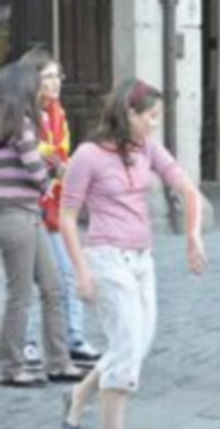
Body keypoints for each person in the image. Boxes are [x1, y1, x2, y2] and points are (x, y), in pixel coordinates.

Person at [60, 79, 207, 429]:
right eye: (151, 116)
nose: (155, 124)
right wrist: (81, 272)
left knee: (136, 344)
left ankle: (80, 394)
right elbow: (66, 217)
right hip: (107, 258)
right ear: (129, 114)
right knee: (126, 351)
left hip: (143, 260)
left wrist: (193, 234)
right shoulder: (88, 155)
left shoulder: (148, 149)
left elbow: (188, 190)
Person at [0, 63, 86, 387]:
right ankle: (10, 366)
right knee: (20, 294)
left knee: (52, 287)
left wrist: (52, 166)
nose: (42, 89)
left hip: (26, 214)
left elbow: (36, 160)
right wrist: (56, 175)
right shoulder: (20, 124)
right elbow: (36, 174)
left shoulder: (15, 124)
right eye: (36, 84)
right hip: (15, 215)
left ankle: (58, 361)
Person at [18, 47, 101, 368]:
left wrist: (61, 167)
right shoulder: (18, 113)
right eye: (48, 76)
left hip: (54, 205)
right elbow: (31, 153)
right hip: (25, 204)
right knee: (23, 279)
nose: (55, 83)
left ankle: (74, 337)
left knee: (66, 272)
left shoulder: (58, 114)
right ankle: (23, 343)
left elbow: (59, 155)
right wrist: (55, 165)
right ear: (32, 79)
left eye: (57, 76)